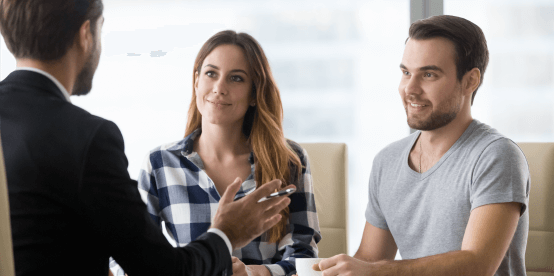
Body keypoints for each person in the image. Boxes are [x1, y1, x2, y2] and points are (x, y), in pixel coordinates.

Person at [0, 1, 294, 275]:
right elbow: (160, 270)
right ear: (86, 34)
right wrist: (226, 233)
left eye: (236, 77)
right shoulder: (90, 139)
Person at [313, 15, 530, 275]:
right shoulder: (387, 161)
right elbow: (370, 259)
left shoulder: (496, 156)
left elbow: (477, 265)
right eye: (406, 73)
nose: (410, 89)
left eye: (428, 74)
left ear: (471, 81)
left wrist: (377, 272)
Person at [110, 30, 321, 276]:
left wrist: (254, 273)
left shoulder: (289, 160)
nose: (219, 88)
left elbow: (304, 255)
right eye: (211, 74)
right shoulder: (160, 164)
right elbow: (129, 257)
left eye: (236, 78)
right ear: (196, 81)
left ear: (254, 93)